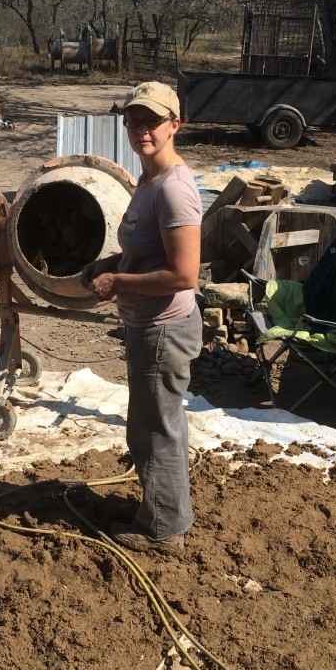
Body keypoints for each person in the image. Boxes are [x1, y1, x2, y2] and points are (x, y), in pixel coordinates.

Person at [81, 81, 203, 552]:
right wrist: (110, 264)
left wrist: (119, 284)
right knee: (153, 425)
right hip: (149, 327)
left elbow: (183, 274)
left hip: (162, 330)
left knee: (157, 430)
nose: (140, 129)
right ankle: (163, 510)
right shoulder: (149, 181)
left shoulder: (173, 190)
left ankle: (164, 529)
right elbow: (147, 252)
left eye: (151, 120)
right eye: (133, 120)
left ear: (175, 124)